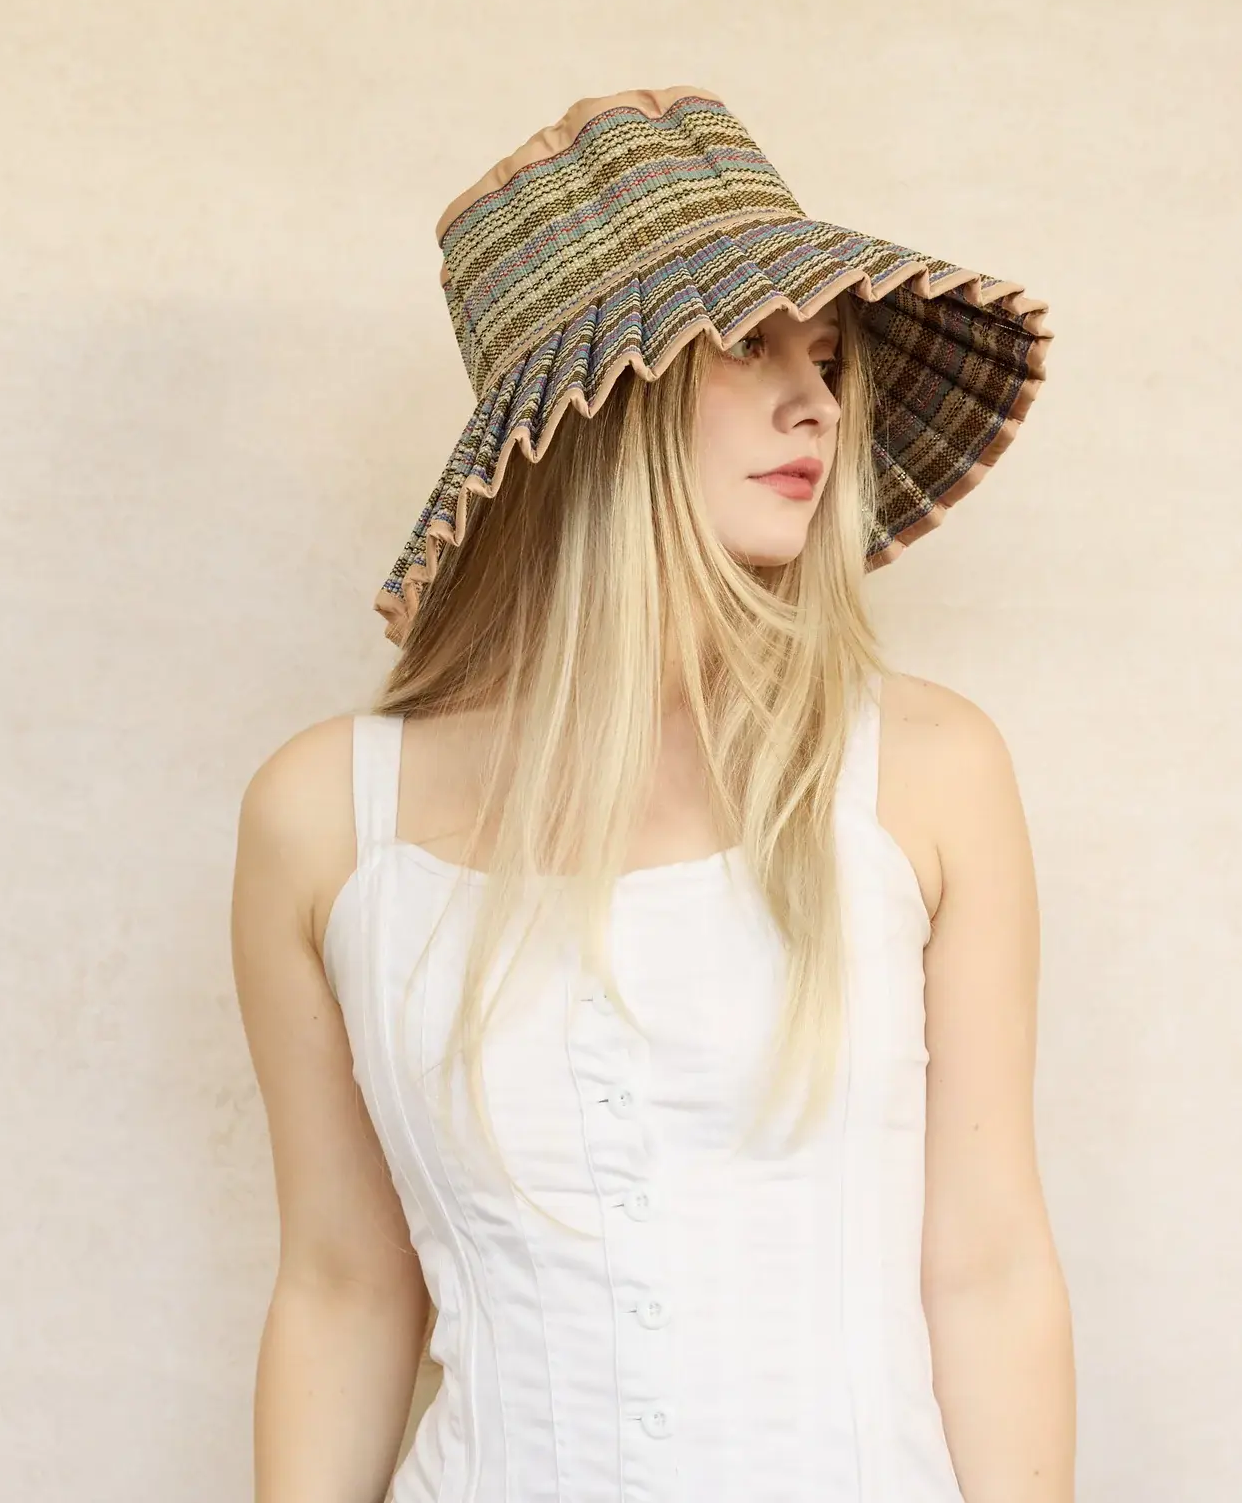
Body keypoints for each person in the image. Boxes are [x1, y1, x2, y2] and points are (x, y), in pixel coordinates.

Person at [231, 86, 1074, 1502]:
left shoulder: (927, 777)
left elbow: (987, 1272)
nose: (815, 397)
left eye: (828, 354)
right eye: (748, 343)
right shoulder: (327, 818)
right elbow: (340, 1291)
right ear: (590, 408)